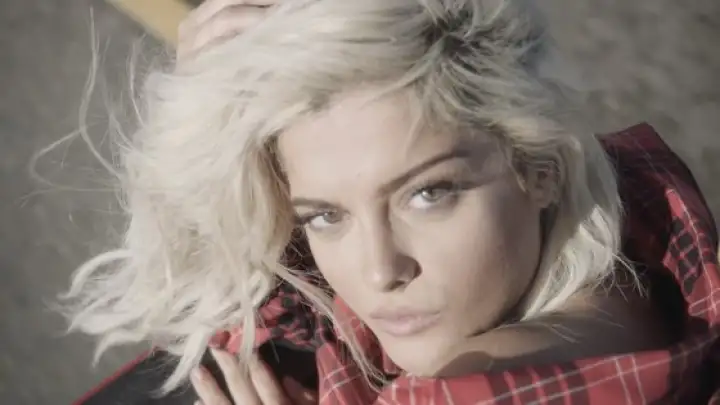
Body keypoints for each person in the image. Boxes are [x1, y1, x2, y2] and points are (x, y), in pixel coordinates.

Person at [64, 0, 720, 404]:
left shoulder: (459, 389)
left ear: (540, 169)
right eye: (326, 215)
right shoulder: (640, 245)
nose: (380, 271)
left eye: (428, 194)